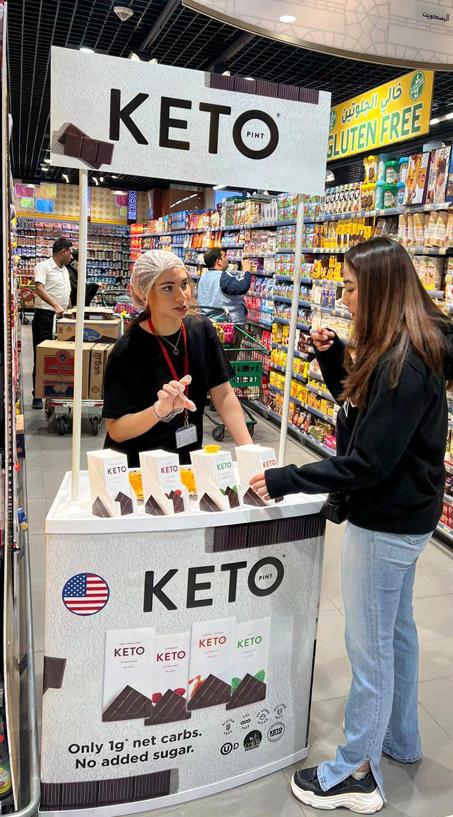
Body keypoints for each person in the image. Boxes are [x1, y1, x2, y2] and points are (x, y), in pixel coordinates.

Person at [250, 237, 453, 814]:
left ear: (379, 291)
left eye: (350, 288)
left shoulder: (401, 364)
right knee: (397, 634)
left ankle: (357, 772)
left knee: (370, 651)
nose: (343, 297)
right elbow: (370, 417)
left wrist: (288, 478)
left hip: (385, 523)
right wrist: (334, 359)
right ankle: (401, 739)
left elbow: (368, 461)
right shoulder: (404, 348)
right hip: (408, 516)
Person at [102, 249, 253, 466]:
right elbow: (116, 430)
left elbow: (223, 394)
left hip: (186, 464)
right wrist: (158, 411)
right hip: (138, 469)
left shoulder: (202, 330)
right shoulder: (126, 350)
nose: (181, 296)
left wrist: (249, 451)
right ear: (144, 294)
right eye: (167, 288)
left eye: (184, 284)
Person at [32, 236, 73, 409]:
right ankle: (37, 395)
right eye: (70, 252)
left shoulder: (64, 270)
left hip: (62, 318)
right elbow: (39, 289)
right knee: (42, 355)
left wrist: (70, 310)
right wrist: (55, 305)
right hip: (45, 317)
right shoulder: (43, 267)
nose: (72, 256)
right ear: (63, 252)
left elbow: (66, 292)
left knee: (59, 356)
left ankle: (55, 390)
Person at [197, 247, 252, 338]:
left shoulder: (203, 278)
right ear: (218, 261)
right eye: (225, 256)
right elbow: (242, 287)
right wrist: (246, 270)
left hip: (209, 324)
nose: (227, 259)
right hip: (227, 328)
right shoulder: (222, 277)